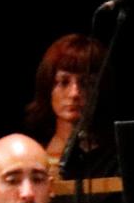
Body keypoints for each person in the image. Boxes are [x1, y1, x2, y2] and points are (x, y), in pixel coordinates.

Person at [24, 34, 112, 174]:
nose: (74, 93)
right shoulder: (28, 155)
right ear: (47, 87)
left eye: (86, 83)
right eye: (64, 82)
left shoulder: (116, 161)